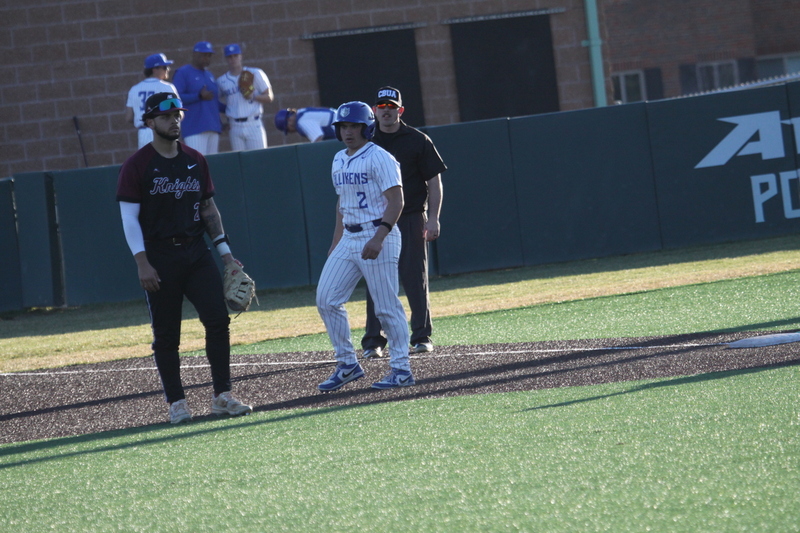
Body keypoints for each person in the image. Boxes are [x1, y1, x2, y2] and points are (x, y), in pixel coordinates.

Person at [116, 92, 252, 424]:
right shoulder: (137, 165)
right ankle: (177, 403)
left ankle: (222, 395)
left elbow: (208, 209)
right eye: (165, 117)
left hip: (195, 251)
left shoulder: (195, 159)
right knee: (167, 335)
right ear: (149, 123)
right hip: (159, 256)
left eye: (177, 115)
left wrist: (227, 256)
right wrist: (142, 262)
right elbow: (128, 218)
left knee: (218, 320)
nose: (174, 120)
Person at [315, 101, 414, 392]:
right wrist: (335, 243)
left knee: (385, 306)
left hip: (377, 232)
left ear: (366, 127)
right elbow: (341, 205)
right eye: (343, 126)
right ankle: (347, 364)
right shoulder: (337, 158)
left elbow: (397, 201)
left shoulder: (380, 157)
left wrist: (379, 237)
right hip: (349, 236)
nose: (348, 132)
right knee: (326, 299)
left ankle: (401, 369)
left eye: (354, 126)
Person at [361, 86, 447, 358]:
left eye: (391, 107)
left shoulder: (418, 139)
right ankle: (374, 340)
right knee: (376, 280)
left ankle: (421, 336)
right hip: (376, 220)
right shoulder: (366, 141)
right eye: (381, 107)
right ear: (374, 110)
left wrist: (433, 218)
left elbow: (434, 181)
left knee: (414, 278)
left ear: (401, 110)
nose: (386, 111)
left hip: (410, 216)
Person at [217, 43, 274, 151]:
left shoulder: (255, 73)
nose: (233, 59)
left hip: (254, 123)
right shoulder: (221, 81)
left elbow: (269, 97)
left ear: (240, 56)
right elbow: (214, 102)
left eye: (235, 55)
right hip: (234, 126)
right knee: (240, 162)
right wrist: (228, 110)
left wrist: (253, 96)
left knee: (259, 159)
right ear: (226, 58)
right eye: (229, 56)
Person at [171, 41, 223, 155]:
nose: (207, 58)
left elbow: (214, 102)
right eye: (204, 55)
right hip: (194, 128)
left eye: (209, 55)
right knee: (198, 165)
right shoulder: (183, 72)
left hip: (213, 127)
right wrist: (198, 96)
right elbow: (176, 99)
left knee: (212, 166)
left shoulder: (209, 75)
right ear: (195, 54)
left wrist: (231, 108)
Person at [125, 53, 179, 149]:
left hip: (143, 132)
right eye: (164, 67)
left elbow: (129, 117)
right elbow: (179, 113)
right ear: (154, 69)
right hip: (163, 131)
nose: (168, 69)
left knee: (148, 163)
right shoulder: (167, 87)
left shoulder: (134, 89)